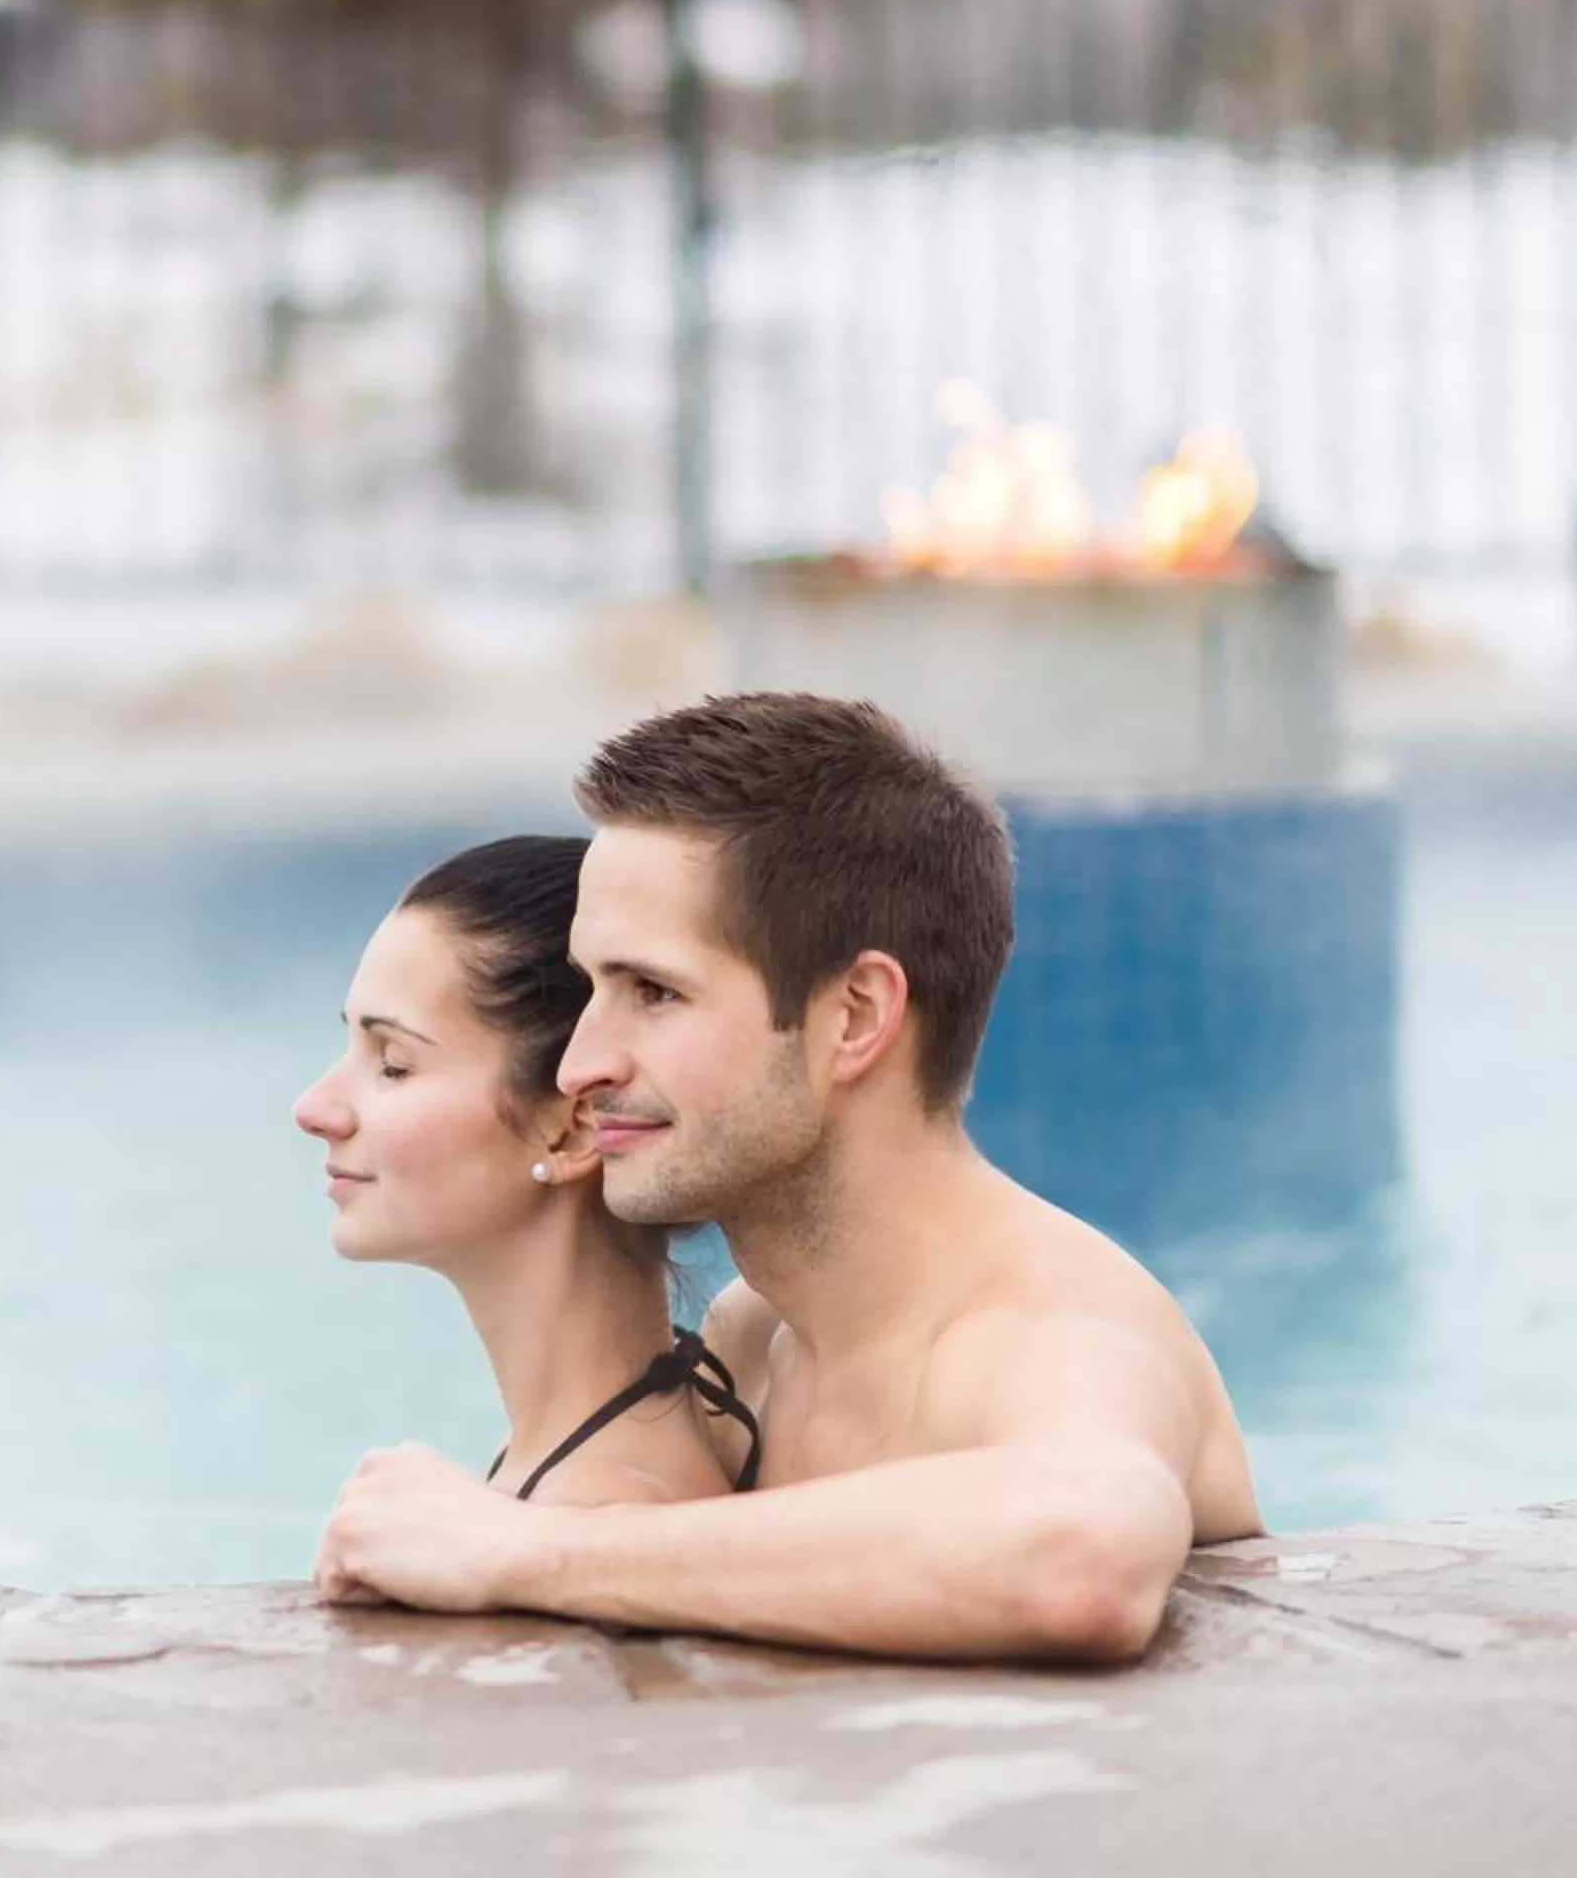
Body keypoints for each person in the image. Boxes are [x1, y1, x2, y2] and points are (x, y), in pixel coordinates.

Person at [311, 693, 1264, 1663]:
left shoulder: (1046, 1324)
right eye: (591, 987)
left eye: (653, 992)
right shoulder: (754, 1345)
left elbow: (1081, 1558)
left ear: (854, 1016)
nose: (579, 1062)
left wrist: (518, 1550)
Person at [293, 835, 759, 1517]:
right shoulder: (583, 1459)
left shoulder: (600, 1512)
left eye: (393, 1063)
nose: (315, 1110)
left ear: (572, 1128)